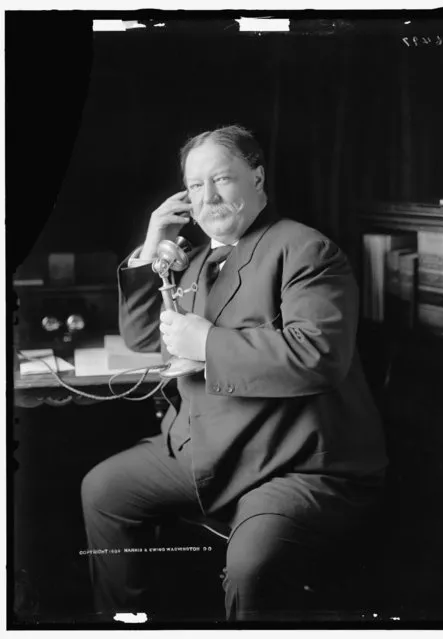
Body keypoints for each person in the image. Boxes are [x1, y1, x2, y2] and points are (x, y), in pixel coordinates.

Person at [81, 124, 388, 622]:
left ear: (258, 179)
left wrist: (205, 341)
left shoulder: (305, 250)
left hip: (292, 460)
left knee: (251, 568)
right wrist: (150, 243)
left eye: (222, 179)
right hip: (211, 447)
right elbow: (142, 338)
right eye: (196, 186)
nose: (209, 196)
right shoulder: (197, 259)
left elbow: (318, 356)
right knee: (104, 490)